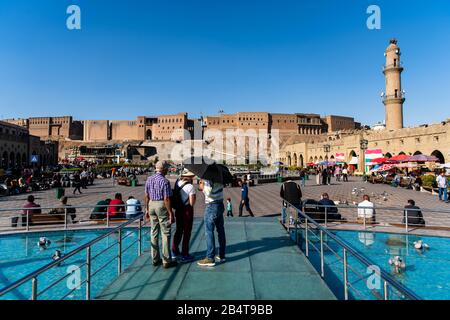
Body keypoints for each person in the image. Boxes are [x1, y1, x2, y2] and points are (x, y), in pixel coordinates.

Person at [144, 161, 177, 269]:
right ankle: (166, 260)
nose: (167, 170)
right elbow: (166, 199)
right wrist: (170, 213)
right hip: (161, 205)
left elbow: (146, 195)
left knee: (154, 231)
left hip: (151, 203)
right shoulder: (165, 181)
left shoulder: (149, 179)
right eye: (166, 168)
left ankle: (155, 259)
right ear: (163, 169)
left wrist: (147, 209)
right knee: (165, 232)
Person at [197, 177, 226, 267]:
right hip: (220, 204)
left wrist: (202, 187)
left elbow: (208, 192)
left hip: (212, 206)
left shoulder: (208, 179)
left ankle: (210, 258)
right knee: (220, 231)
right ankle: (222, 255)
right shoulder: (220, 177)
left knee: (209, 232)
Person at [172, 169, 197, 263]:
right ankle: (185, 253)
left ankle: (175, 250)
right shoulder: (190, 186)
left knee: (178, 230)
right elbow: (191, 202)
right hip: (186, 210)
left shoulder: (177, 182)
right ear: (190, 177)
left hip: (178, 209)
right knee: (187, 232)